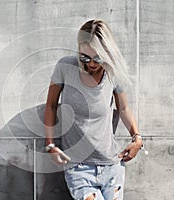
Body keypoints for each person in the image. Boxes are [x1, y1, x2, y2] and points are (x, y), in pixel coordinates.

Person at [44, 19, 143, 200]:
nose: (91, 63)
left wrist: (137, 139)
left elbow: (124, 108)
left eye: (97, 58)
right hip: (78, 166)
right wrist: (50, 145)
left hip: (111, 165)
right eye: (84, 57)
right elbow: (50, 105)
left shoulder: (113, 72)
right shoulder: (65, 67)